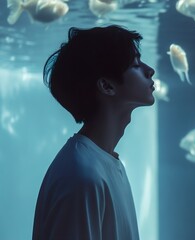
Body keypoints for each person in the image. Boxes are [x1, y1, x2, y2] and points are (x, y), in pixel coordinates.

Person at [32, 25, 155, 240]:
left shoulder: (105, 164)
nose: (149, 70)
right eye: (135, 64)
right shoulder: (83, 177)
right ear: (107, 86)